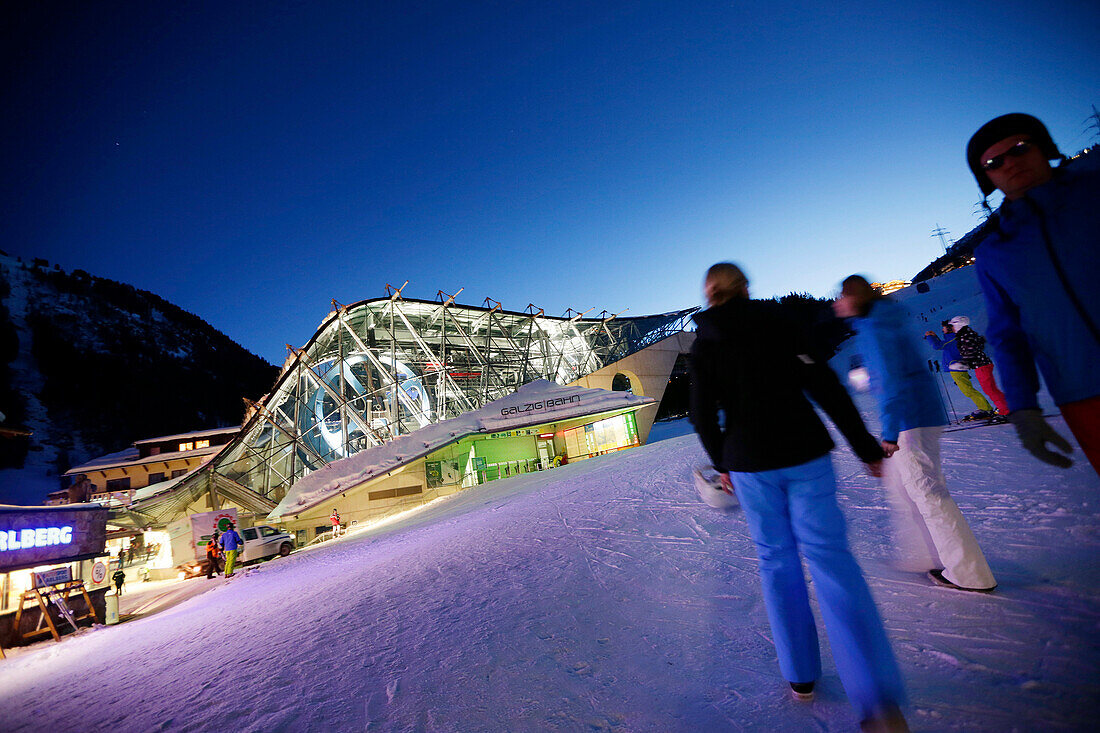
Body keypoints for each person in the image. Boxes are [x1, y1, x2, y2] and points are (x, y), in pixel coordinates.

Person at [690, 262, 908, 732]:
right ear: (745, 288)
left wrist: (723, 462)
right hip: (804, 451)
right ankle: (876, 700)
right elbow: (825, 386)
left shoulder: (704, 344)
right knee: (831, 559)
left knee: (776, 561)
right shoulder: (779, 324)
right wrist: (866, 448)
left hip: (749, 463)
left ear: (710, 295)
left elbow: (702, 414)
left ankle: (800, 674)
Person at [835, 276, 996, 593]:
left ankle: (969, 573)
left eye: (842, 295)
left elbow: (892, 383)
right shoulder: (883, 321)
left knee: (929, 494)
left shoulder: (876, 329)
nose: (836, 302)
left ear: (856, 298)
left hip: (909, 421)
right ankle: (931, 557)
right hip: (921, 415)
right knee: (916, 490)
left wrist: (890, 433)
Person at [965, 112, 1100, 473]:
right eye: (995, 162)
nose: (1010, 163)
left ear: (1044, 147)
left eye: (1020, 147)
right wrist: (1023, 408)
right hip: (1085, 397)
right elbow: (1008, 337)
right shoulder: (995, 252)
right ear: (987, 178)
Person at [924, 320, 995, 418]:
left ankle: (986, 409)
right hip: (956, 367)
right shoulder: (951, 339)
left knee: (968, 390)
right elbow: (943, 344)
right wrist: (935, 336)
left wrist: (930, 336)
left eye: (944, 328)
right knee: (967, 390)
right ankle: (985, 408)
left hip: (957, 367)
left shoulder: (953, 338)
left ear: (949, 328)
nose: (942, 330)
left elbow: (937, 346)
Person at [947, 316, 1009, 417]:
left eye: (952, 325)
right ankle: (1006, 407)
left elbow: (970, 352)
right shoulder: (966, 334)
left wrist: (963, 364)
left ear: (959, 324)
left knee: (990, 389)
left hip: (981, 366)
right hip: (981, 365)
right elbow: (974, 347)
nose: (952, 328)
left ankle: (1006, 410)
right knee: (990, 389)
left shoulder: (965, 335)